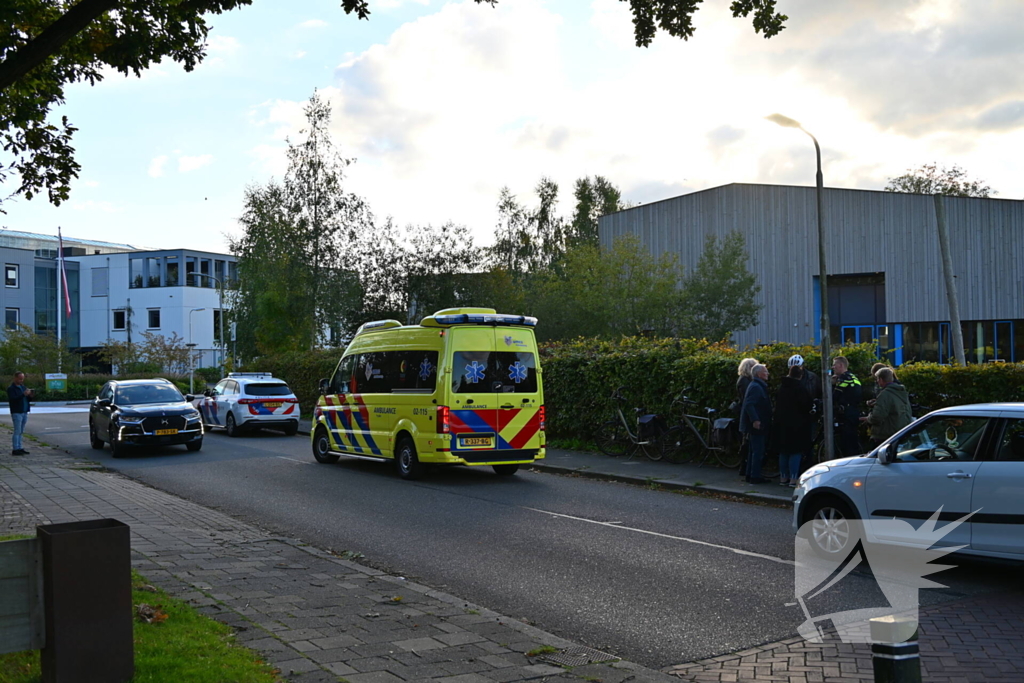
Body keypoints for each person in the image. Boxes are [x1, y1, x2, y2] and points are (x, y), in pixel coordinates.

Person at [775, 364, 813, 487]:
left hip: (782, 423)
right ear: (801, 376)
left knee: (784, 452)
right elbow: (806, 405)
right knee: (795, 452)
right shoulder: (800, 388)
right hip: (797, 424)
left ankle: (783, 477)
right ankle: (793, 478)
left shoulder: (782, 387)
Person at [860, 367, 913, 447]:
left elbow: (877, 417)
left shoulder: (885, 394)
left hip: (886, 435)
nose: (877, 381)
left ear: (881, 379)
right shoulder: (901, 392)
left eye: (877, 379)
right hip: (901, 432)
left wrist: (868, 418)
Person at [739, 363, 772, 484]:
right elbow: (749, 404)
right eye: (765, 371)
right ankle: (755, 476)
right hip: (758, 424)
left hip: (757, 423)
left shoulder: (756, 385)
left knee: (753, 450)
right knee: (758, 450)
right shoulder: (756, 387)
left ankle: (750, 474)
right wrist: (755, 420)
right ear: (759, 374)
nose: (768, 373)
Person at [831, 356, 863, 457]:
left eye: (834, 365)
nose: (833, 367)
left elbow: (834, 396)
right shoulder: (853, 377)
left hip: (846, 414)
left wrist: (832, 384)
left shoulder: (844, 378)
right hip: (854, 411)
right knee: (853, 441)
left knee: (846, 442)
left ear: (841, 365)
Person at [735, 358, 758, 480]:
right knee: (746, 442)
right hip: (747, 416)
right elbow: (747, 400)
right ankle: (744, 466)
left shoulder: (745, 380)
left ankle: (744, 466)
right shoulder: (745, 381)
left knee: (747, 442)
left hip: (745, 414)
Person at [7, 372, 34, 456]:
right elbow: (13, 399)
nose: (21, 380)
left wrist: (30, 396)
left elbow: (27, 399)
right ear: (15, 378)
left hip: (24, 411)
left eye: (22, 378)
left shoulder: (23, 387)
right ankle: (15, 448)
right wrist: (23, 395)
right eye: (20, 378)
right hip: (17, 411)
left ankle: (20, 447)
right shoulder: (11, 388)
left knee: (21, 431)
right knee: (17, 430)